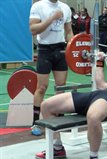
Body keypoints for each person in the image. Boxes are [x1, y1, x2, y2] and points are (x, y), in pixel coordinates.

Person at [29, 0, 74, 136]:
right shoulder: (38, 6)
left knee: (61, 87)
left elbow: (69, 30)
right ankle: (35, 123)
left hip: (60, 50)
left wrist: (71, 45)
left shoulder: (65, 7)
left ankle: (59, 122)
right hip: (45, 50)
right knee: (41, 88)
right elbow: (33, 29)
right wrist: (52, 18)